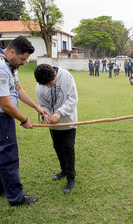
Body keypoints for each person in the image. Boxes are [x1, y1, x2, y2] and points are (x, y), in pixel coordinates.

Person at [0, 35, 50, 206]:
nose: (24, 63)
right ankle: (16, 197)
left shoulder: (8, 63)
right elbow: (6, 104)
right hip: (0, 120)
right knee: (8, 157)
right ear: (12, 51)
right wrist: (24, 119)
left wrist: (37, 107)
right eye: (22, 59)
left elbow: (17, 89)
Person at [34, 64, 78, 194]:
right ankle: (64, 170)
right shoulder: (41, 84)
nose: (48, 86)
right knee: (57, 146)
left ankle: (71, 177)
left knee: (68, 148)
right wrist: (46, 115)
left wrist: (59, 113)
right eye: (45, 85)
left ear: (55, 75)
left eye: (50, 83)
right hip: (53, 124)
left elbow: (73, 99)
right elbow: (43, 104)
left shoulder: (66, 77)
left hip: (68, 121)